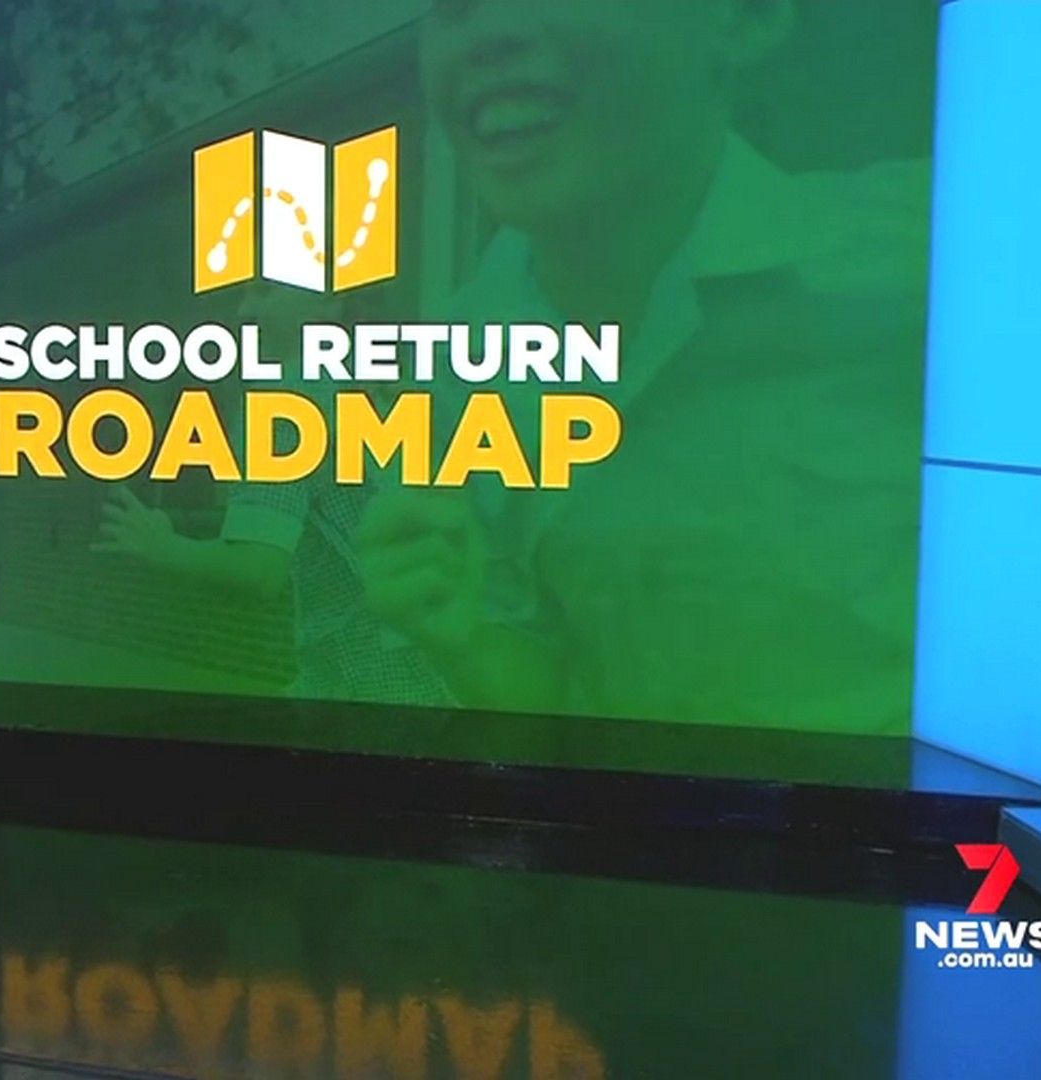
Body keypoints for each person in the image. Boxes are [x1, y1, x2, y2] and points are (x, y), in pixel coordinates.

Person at [355, 0, 930, 734]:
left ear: (747, 16)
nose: (489, 32)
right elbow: (555, 694)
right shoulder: (453, 370)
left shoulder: (952, 257)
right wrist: (469, 646)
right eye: (451, 6)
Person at [93, 285, 455, 706]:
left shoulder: (286, 402)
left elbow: (261, 567)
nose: (243, 312)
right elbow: (318, 513)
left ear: (328, 302)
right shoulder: (377, 382)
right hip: (431, 666)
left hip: (374, 684)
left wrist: (165, 548)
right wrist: (182, 523)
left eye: (264, 292)